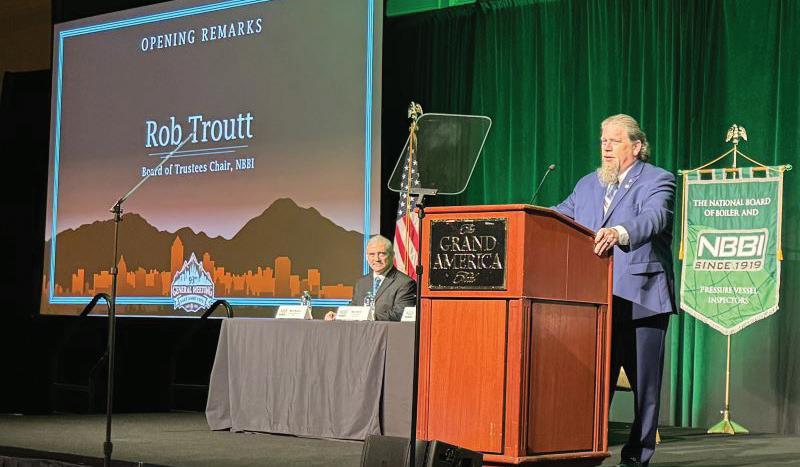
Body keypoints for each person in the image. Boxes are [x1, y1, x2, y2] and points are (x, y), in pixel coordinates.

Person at [553, 114, 676, 467]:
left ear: (636, 147)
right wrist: (521, 218)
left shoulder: (657, 179)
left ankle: (636, 456)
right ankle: (585, 450)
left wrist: (619, 232)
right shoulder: (588, 184)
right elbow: (558, 216)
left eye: (614, 140)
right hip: (595, 302)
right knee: (594, 384)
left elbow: (654, 218)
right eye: (603, 140)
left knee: (644, 388)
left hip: (641, 299)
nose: (606, 147)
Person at [325, 235, 416, 321]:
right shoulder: (361, 282)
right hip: (361, 331)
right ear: (366, 257)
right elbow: (354, 307)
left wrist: (369, 316)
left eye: (381, 254)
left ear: (392, 255)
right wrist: (338, 315)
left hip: (387, 332)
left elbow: (400, 313)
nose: (376, 259)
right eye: (372, 254)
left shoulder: (405, 283)